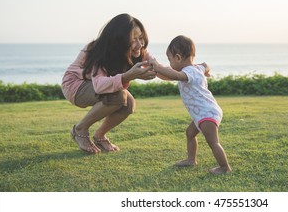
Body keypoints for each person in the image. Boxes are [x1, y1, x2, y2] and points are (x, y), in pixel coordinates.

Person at [62, 13, 157, 154]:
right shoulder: (99, 50)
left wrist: (187, 72)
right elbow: (100, 85)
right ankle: (80, 129)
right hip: (76, 85)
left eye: (141, 38)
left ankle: (99, 135)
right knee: (118, 96)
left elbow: (158, 67)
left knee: (129, 105)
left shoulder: (138, 50)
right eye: (133, 39)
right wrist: (128, 76)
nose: (140, 44)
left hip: (95, 84)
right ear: (120, 40)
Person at [149, 35, 231, 174]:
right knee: (190, 133)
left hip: (207, 113)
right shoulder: (197, 68)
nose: (169, 63)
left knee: (213, 142)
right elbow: (205, 65)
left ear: (178, 57)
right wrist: (156, 70)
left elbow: (175, 76)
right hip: (202, 112)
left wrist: (157, 66)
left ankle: (225, 167)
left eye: (169, 59)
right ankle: (191, 159)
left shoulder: (189, 72)